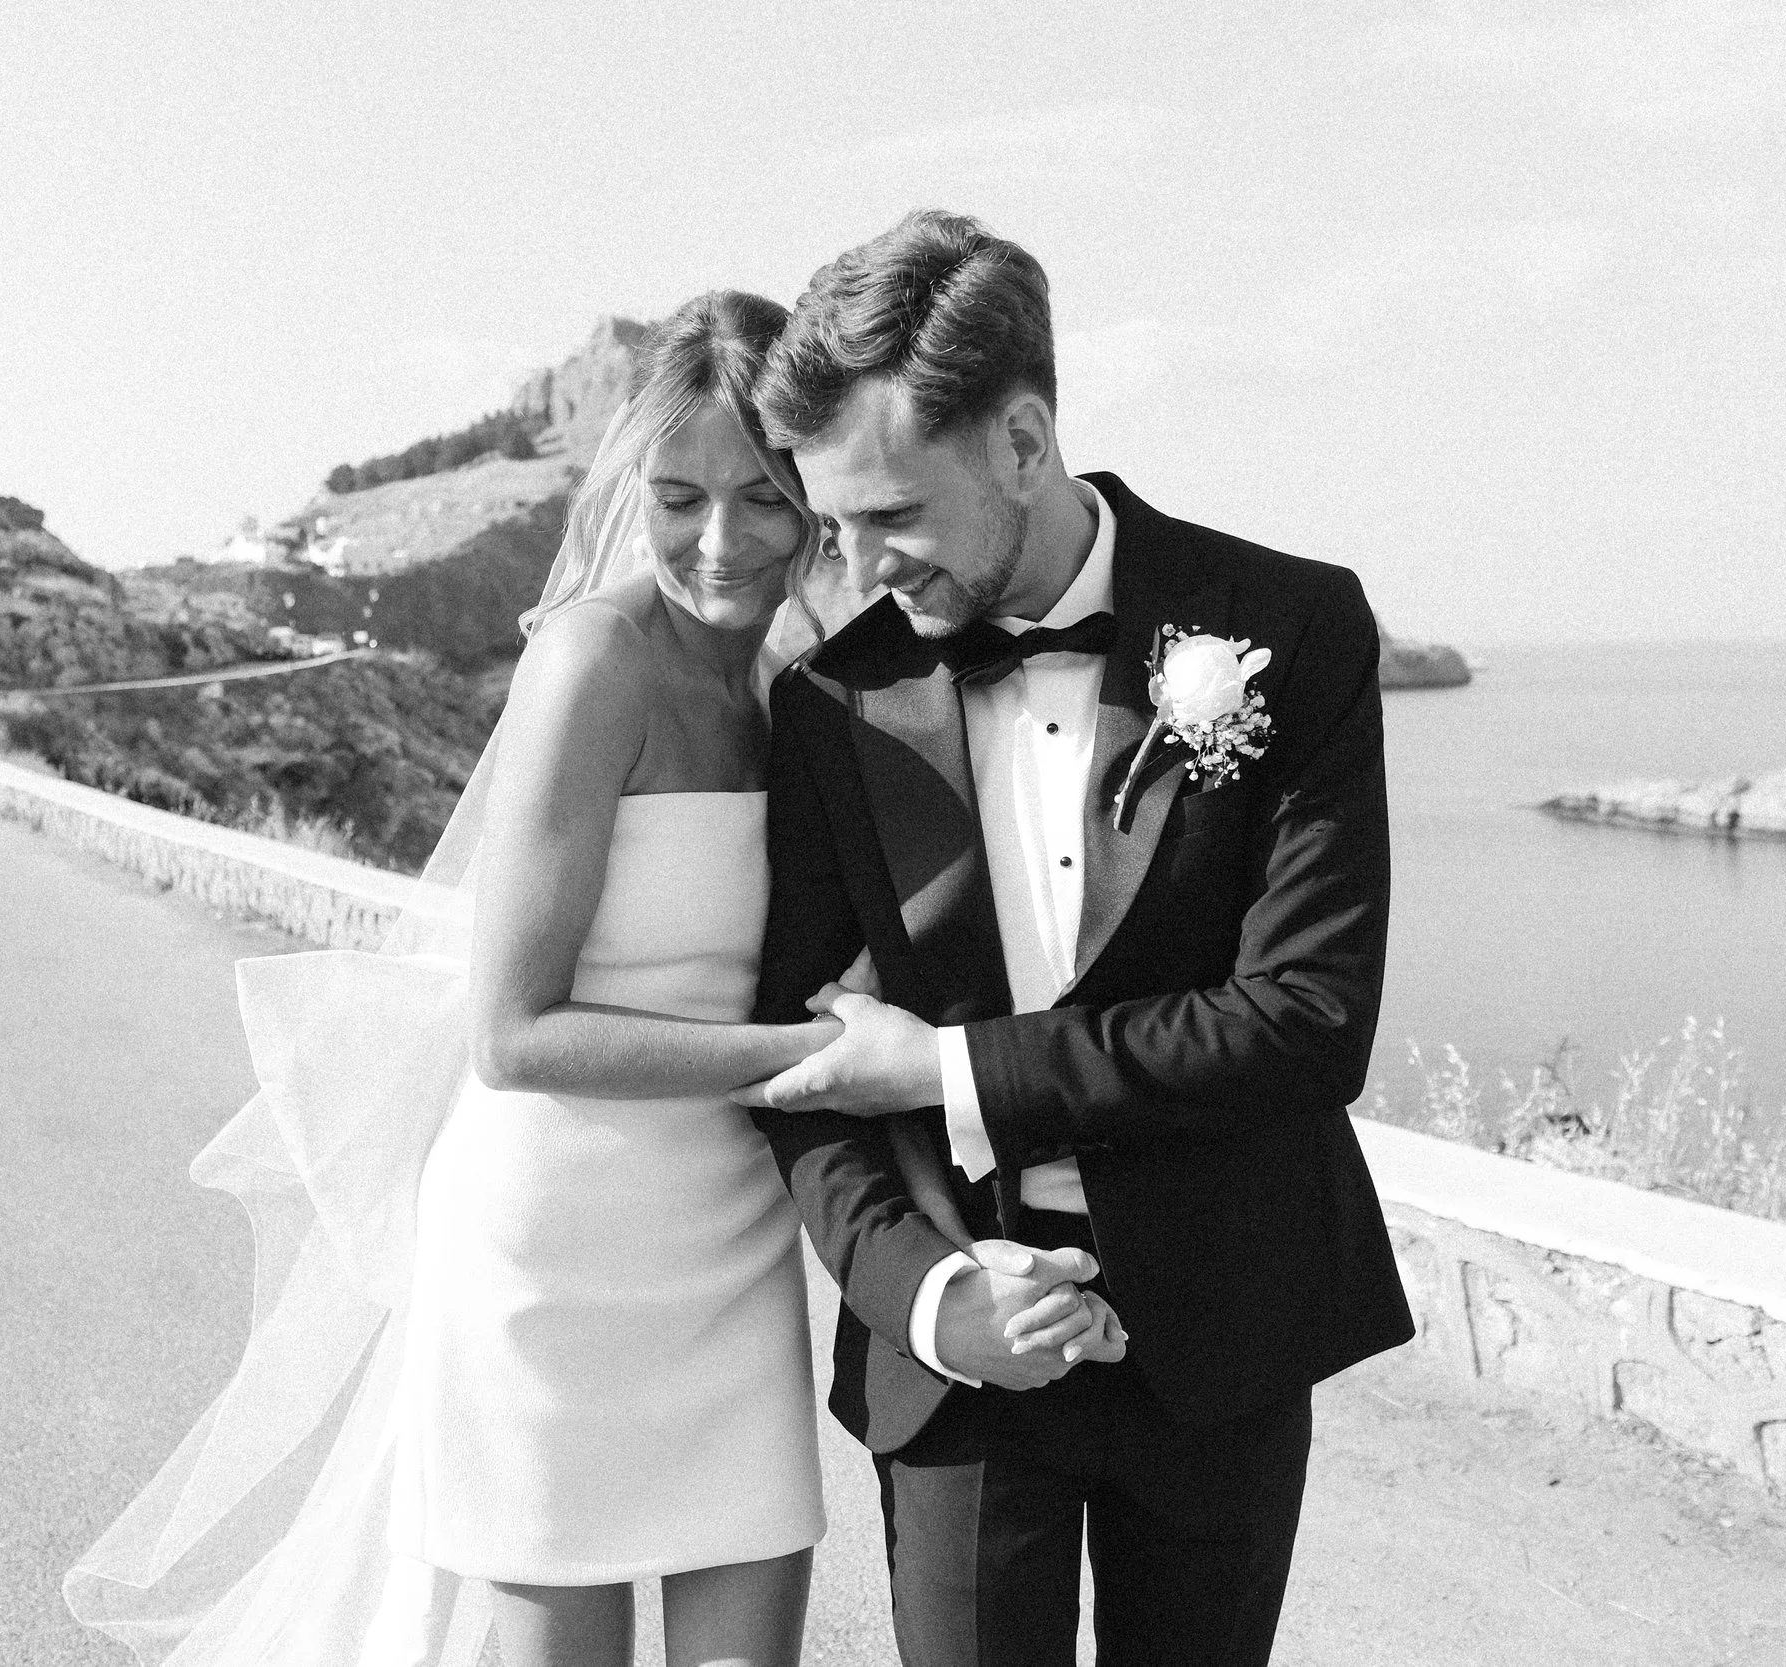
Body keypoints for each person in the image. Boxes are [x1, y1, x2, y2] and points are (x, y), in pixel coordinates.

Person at [64, 289, 1118, 1667]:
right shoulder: (590, 664)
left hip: (732, 1238)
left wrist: (950, 1212)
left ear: (816, 503)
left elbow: (899, 981)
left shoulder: (814, 691)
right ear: (632, 489)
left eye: (761, 498)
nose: (721, 540)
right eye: (679, 496)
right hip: (550, 1249)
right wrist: (798, 1058)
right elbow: (513, 1032)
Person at [732, 210, 1417, 1667]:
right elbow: (802, 1070)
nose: (855, 570)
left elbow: (1308, 1021)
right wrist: (926, 1295)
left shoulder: (1289, 627)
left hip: (1223, 1331)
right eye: (831, 525)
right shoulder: (831, 705)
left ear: (1024, 441)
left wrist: (954, 1068)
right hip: (962, 1356)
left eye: (892, 519)